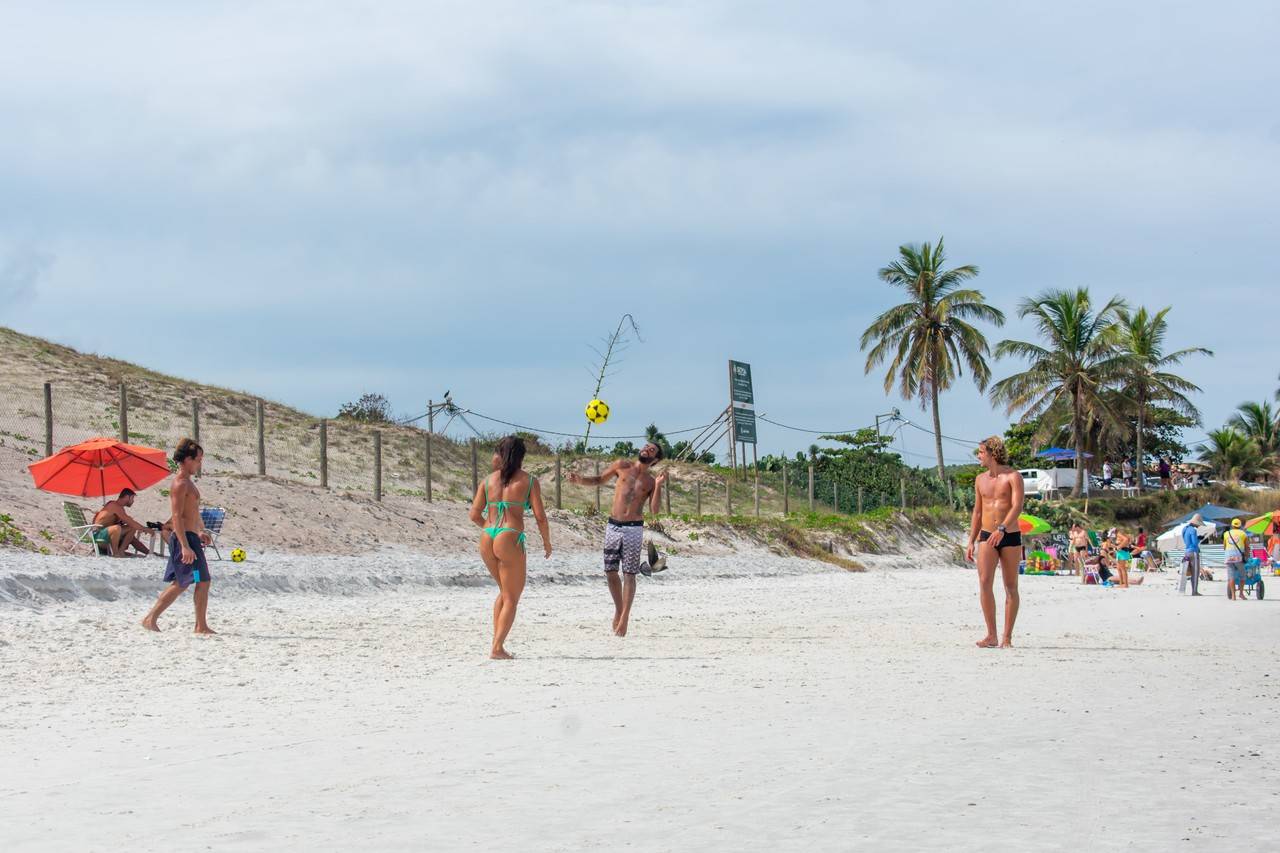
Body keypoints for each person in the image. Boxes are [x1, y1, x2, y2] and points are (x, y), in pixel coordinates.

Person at [568, 442, 669, 637]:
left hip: (633, 529)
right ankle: (619, 609)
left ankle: (625, 618)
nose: (647, 450)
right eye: (646, 446)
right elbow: (598, 479)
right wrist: (580, 480)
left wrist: (658, 486)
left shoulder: (649, 481)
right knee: (610, 571)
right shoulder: (622, 465)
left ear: (655, 460)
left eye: (652, 450)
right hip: (613, 525)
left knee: (629, 574)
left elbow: (654, 511)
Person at [468, 435, 551, 660]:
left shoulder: (488, 480)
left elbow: (474, 514)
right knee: (512, 597)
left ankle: (498, 644)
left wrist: (490, 527)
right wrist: (546, 541)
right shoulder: (529, 481)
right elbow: (540, 517)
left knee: (504, 593)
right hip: (510, 535)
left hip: (487, 535)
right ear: (521, 456)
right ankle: (496, 647)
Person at [140, 439, 216, 633]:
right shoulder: (180, 484)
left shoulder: (189, 484)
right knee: (182, 582)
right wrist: (184, 545)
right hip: (184, 541)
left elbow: (193, 512)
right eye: (198, 459)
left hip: (192, 539)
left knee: (202, 580)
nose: (200, 463)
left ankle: (200, 625)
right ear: (187, 459)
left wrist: (200, 531)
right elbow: (176, 516)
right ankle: (150, 618)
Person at [965, 435, 1024, 649]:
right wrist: (971, 540)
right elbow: (978, 511)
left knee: (1010, 586)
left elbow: (1017, 506)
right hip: (987, 534)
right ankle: (991, 635)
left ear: (993, 453)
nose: (978, 456)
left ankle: (1007, 637)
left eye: (981, 452)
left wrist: (1003, 528)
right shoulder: (980, 479)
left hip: (1009, 535)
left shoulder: (1013, 476)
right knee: (984, 581)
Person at [91, 488, 150, 556]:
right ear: (127, 497)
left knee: (131, 529)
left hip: (107, 535)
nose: (133, 501)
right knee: (117, 528)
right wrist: (145, 529)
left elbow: (130, 523)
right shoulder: (114, 505)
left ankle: (148, 553)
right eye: (132, 498)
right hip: (99, 537)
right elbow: (130, 521)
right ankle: (116, 553)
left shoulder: (119, 507)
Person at [1223, 517, 1249, 601]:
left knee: (1231, 577)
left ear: (1232, 525)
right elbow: (1247, 547)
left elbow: (1224, 546)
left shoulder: (1226, 534)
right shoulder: (1243, 534)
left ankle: (1233, 596)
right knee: (1242, 576)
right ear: (1240, 525)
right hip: (1239, 558)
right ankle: (1241, 594)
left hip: (1228, 557)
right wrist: (1247, 556)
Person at [1180, 513, 1203, 596]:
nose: (1199, 526)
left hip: (1187, 551)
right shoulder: (1193, 530)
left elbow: (1186, 540)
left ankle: (1184, 589)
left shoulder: (1184, 529)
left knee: (1187, 571)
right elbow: (1194, 543)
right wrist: (1199, 539)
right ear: (1196, 523)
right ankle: (1194, 591)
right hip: (1194, 552)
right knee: (1195, 572)